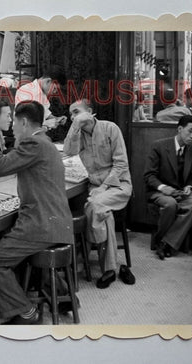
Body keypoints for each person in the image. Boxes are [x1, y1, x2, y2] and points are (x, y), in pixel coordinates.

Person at [0, 101, 74, 324]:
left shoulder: (33, 143)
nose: (12, 126)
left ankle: (24, 311)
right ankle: (63, 298)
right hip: (57, 220)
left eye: (14, 121)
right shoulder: (45, 142)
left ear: (23, 122)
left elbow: (1, 165)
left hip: (40, 224)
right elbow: (18, 167)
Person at [63, 99, 134, 289]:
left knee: (94, 206)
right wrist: (75, 125)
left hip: (118, 185)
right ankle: (111, 269)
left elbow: (121, 164)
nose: (73, 116)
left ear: (90, 112)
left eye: (76, 112)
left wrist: (104, 188)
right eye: (71, 114)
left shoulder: (111, 129)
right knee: (104, 215)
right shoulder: (78, 134)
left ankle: (83, 255)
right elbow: (69, 151)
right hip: (95, 188)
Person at [144, 115, 192, 260]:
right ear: (180, 129)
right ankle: (167, 243)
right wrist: (162, 187)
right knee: (170, 204)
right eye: (190, 131)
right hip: (159, 191)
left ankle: (165, 243)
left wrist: (189, 186)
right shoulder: (159, 146)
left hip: (180, 192)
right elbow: (149, 176)